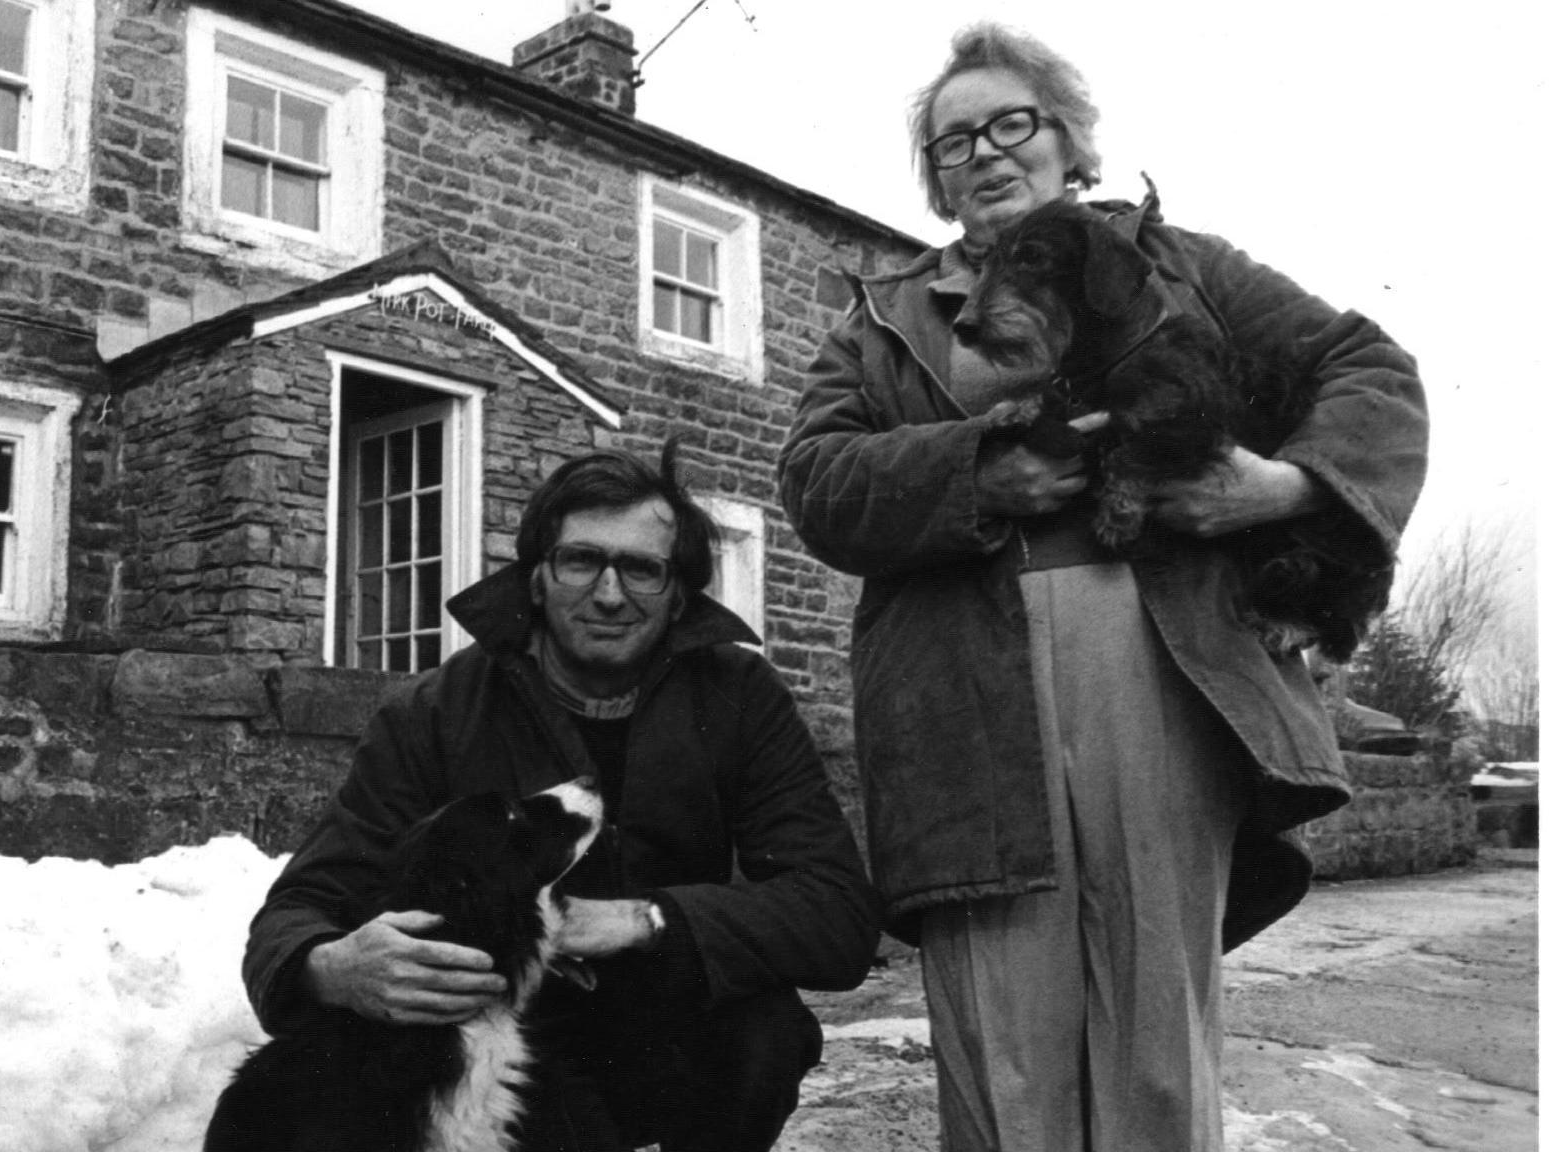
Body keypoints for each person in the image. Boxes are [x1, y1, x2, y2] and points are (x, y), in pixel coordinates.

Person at [775, 23, 1426, 1152]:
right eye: (950, 141)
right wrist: (978, 466)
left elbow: (1371, 372)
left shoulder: (1187, 270)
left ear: (1066, 139)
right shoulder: (876, 324)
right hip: (959, 704)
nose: (981, 153)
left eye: (1008, 123)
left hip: (1158, 670)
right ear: (932, 179)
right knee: (1000, 1048)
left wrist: (1274, 488)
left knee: (1152, 1030)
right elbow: (817, 484)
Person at [242, 440, 879, 1152]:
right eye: (582, 561)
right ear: (537, 578)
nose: (610, 594)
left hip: (668, 1019)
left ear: (679, 594)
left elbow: (838, 912)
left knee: (762, 1031)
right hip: (510, 1039)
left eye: (642, 568)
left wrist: (649, 919)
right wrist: (330, 967)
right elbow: (297, 911)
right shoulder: (436, 710)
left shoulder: (738, 698)